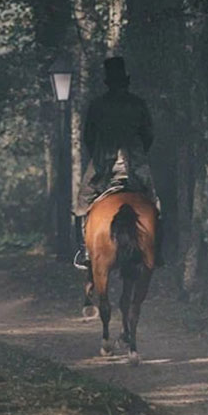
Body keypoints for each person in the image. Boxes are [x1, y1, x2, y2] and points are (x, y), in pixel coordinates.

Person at [72, 56, 157, 269]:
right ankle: (156, 250)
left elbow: (89, 137)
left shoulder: (97, 105)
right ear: (125, 81)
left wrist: (99, 154)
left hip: (104, 163)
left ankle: (84, 250)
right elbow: (149, 134)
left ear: (107, 82)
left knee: (82, 202)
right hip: (135, 163)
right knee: (154, 203)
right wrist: (138, 152)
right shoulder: (138, 104)